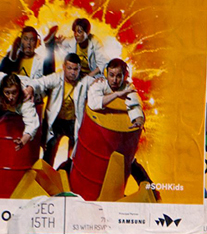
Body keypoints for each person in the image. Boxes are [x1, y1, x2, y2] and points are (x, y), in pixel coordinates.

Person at [69, 58, 145, 201]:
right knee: (72, 164)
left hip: (119, 149)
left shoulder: (128, 88)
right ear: (106, 74)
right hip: (89, 141)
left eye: (119, 76)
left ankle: (152, 191)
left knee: (132, 166)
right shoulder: (98, 85)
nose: (115, 80)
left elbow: (135, 104)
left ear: (124, 76)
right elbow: (94, 103)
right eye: (111, 75)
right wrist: (117, 95)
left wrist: (138, 119)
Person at [23, 51, 88, 169]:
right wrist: (31, 88)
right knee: (49, 150)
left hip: (73, 122)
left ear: (79, 69)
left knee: (74, 154)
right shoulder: (56, 78)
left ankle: (66, 174)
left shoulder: (84, 81)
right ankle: (45, 175)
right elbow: (41, 82)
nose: (72, 72)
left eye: (75, 69)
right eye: (69, 68)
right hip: (56, 122)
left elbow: (99, 85)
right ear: (64, 67)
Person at [0, 73, 42, 199]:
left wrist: (23, 140)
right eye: (7, 93)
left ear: (19, 91)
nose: (11, 97)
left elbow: (32, 124)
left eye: (14, 93)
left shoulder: (25, 101)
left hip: (34, 91)